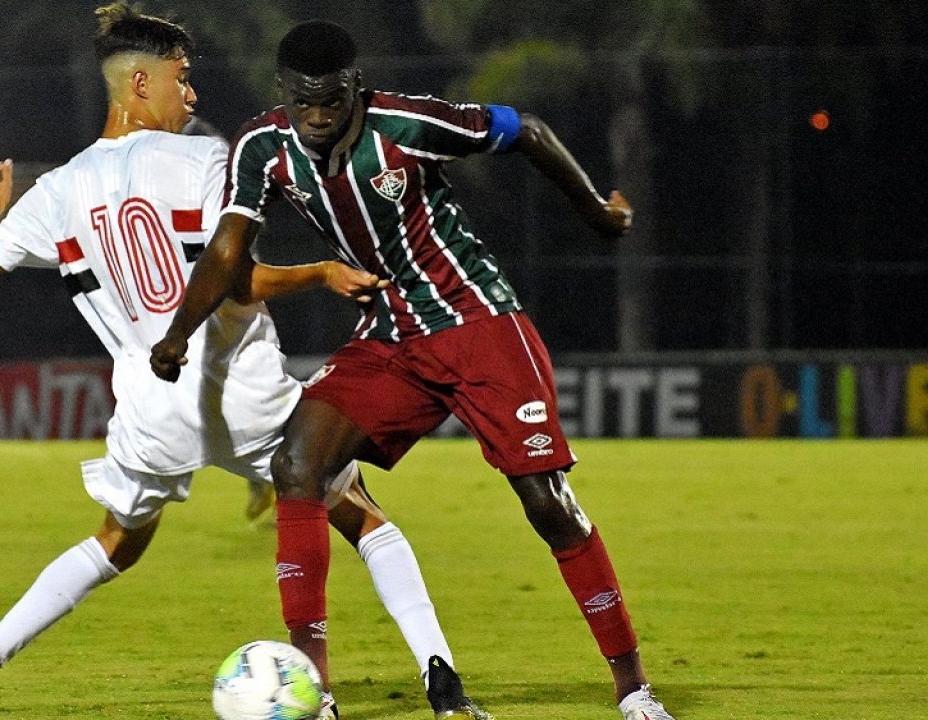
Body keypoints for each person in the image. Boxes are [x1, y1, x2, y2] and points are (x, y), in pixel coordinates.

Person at [0, 6, 475, 717]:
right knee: (361, 516)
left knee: (115, 543)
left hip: (152, 409)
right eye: (183, 79)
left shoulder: (56, 190)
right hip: (242, 389)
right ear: (140, 82)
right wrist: (319, 273)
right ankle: (437, 676)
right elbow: (234, 279)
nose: (193, 94)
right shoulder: (209, 159)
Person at [150, 19, 677, 720]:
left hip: (478, 323)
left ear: (355, 89)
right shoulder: (261, 148)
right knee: (298, 466)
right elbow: (227, 250)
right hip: (391, 336)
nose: (316, 117)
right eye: (303, 102)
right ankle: (313, 687)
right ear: (284, 92)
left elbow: (528, 129)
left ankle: (633, 686)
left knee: (547, 504)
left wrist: (595, 213)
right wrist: (178, 333)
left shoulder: (406, 123)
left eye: (331, 103)